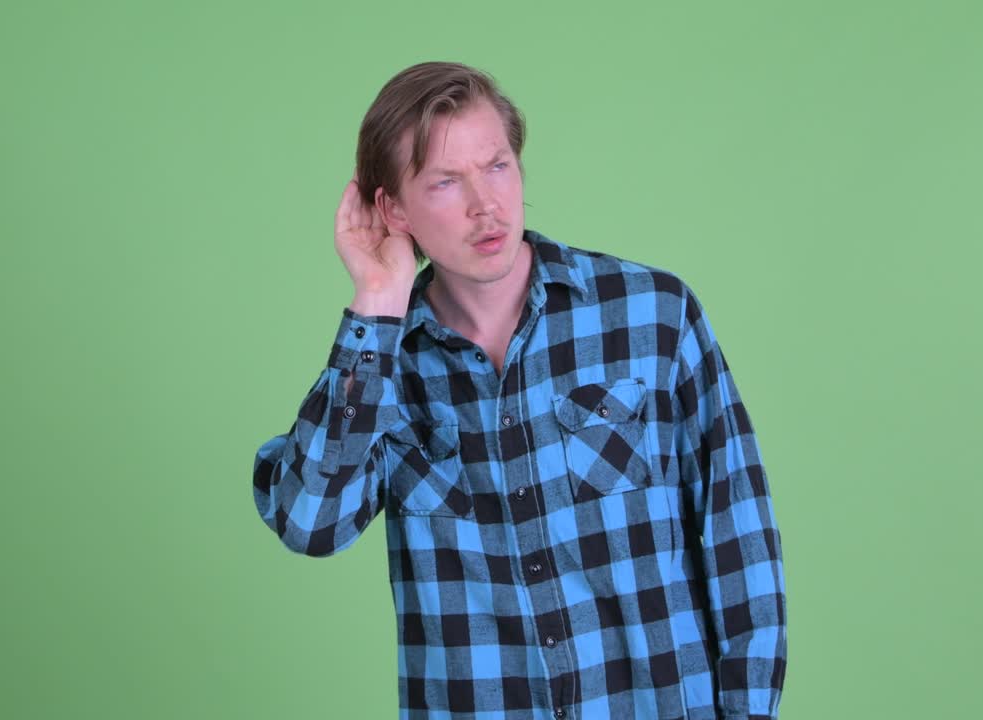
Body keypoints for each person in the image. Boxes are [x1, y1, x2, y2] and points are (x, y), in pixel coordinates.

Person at [252, 61, 787, 720]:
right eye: (447, 182)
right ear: (392, 208)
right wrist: (377, 302)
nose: (487, 206)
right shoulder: (383, 371)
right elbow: (310, 523)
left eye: (497, 166)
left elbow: (740, 539)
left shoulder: (652, 316)